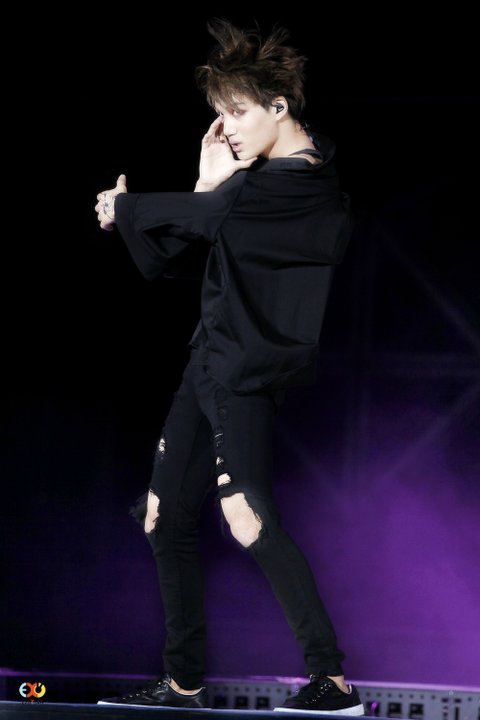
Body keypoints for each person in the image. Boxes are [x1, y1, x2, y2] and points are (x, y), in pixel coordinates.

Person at [94, 18, 363, 716]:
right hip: (207, 357)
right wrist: (201, 187)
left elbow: (204, 222)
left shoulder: (303, 183)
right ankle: (182, 683)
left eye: (238, 112)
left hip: (245, 367)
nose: (227, 129)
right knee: (163, 516)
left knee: (245, 517)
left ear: (280, 106)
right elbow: (175, 254)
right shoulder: (252, 186)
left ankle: (332, 683)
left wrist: (128, 206)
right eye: (220, 114)